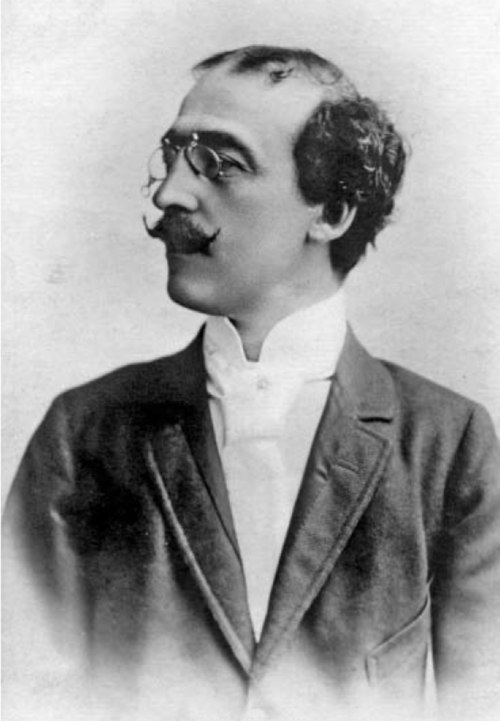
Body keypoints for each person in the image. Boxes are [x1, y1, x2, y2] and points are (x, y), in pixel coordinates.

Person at [3, 45, 500, 721]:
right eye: (173, 156)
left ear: (331, 211)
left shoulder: (448, 442)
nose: (169, 194)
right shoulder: (82, 432)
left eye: (220, 163)